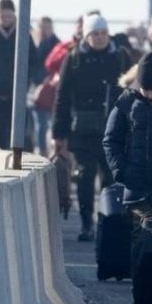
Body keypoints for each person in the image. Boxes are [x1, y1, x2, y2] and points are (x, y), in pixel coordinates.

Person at [52, 13, 131, 241]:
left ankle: (106, 220)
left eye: (103, 33)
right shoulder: (74, 58)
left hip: (113, 128)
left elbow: (131, 90)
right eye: (94, 34)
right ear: (86, 35)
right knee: (85, 177)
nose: (99, 38)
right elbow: (62, 96)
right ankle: (87, 222)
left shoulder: (119, 56)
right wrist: (59, 132)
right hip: (82, 130)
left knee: (110, 177)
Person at [103, 52, 152, 231]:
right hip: (135, 188)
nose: (151, 95)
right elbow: (111, 140)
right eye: (146, 90)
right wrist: (121, 171)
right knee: (139, 242)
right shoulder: (126, 103)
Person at [0, 0, 39, 149]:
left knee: (19, 133)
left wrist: (27, 81)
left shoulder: (23, 35)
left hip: (18, 93)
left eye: (9, 16)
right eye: (2, 16)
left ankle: (17, 162)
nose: (6, 19)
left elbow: (33, 61)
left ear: (14, 15)